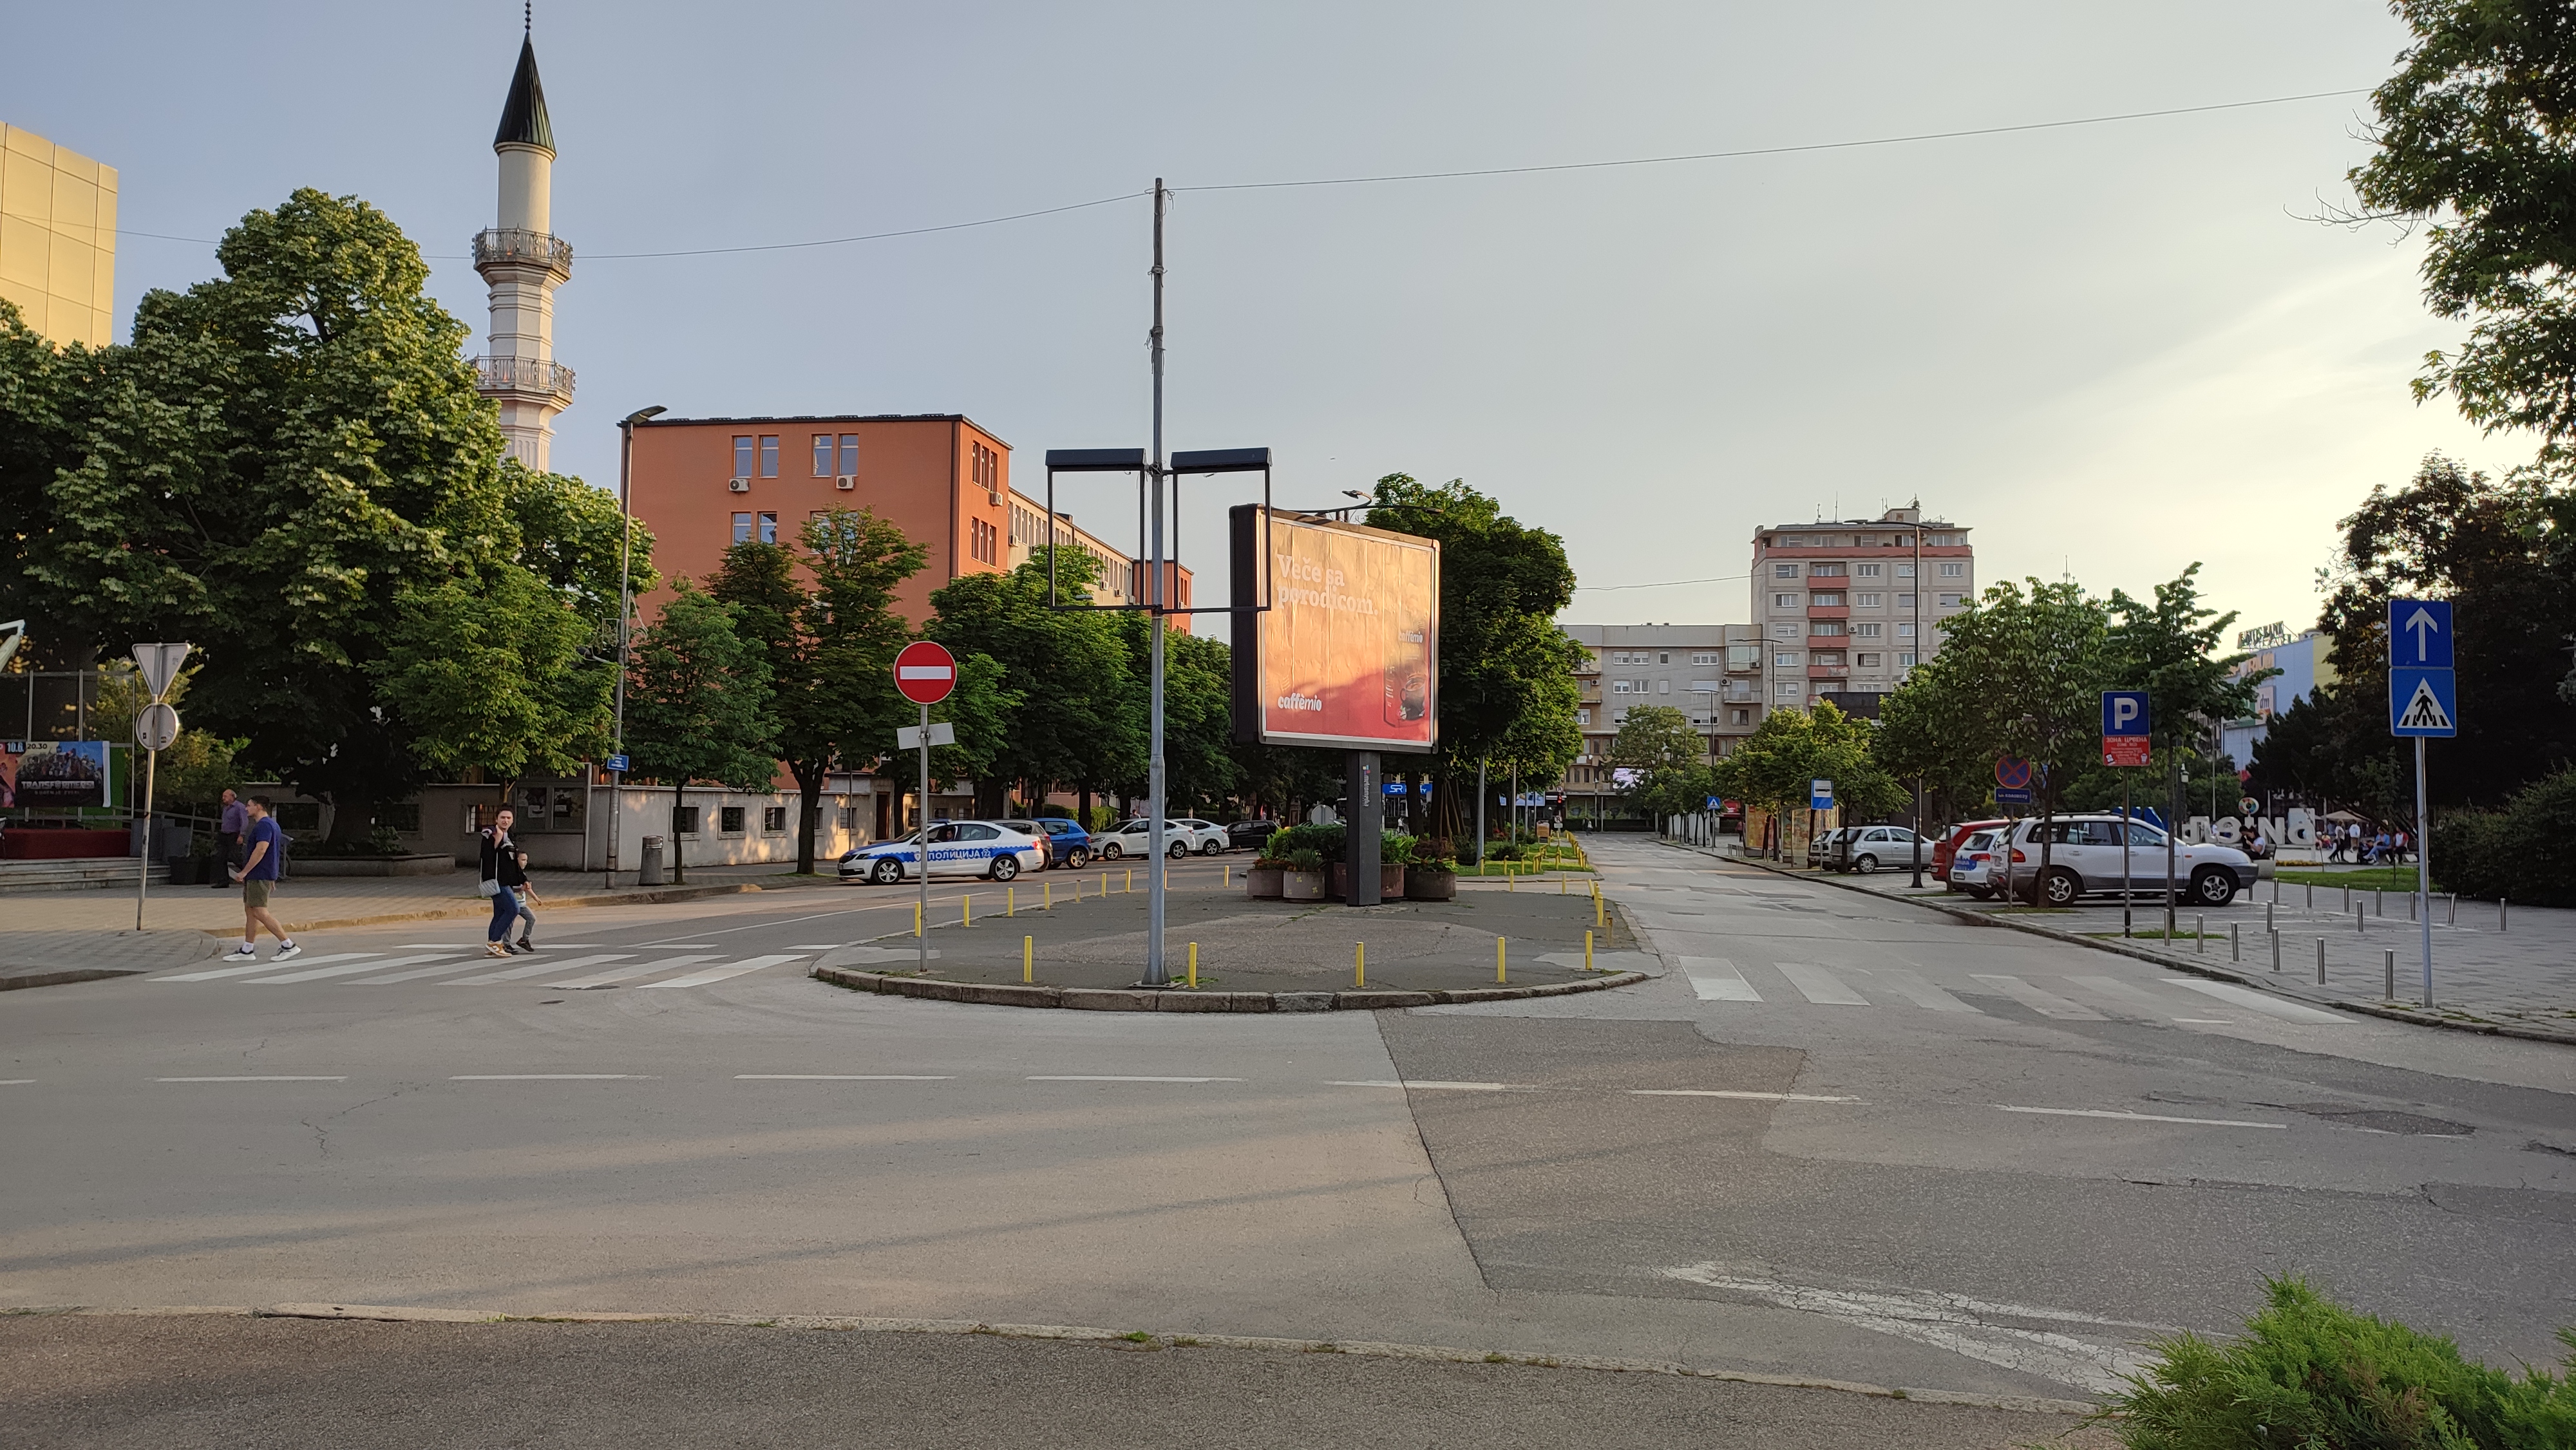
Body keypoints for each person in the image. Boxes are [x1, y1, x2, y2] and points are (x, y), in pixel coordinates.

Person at [217, 796, 298, 962]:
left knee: (259, 911)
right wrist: (271, 876)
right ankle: (248, 949)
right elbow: (272, 853)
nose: (246, 808)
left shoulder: (264, 826)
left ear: (259, 807)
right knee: (251, 911)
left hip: (258, 874)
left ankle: (288, 945)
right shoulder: (271, 825)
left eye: (249, 805)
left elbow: (261, 850)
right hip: (261, 875)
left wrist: (244, 872)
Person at [478, 808, 525, 957]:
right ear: (496, 819)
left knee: (499, 914)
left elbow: (513, 862)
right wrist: (497, 841)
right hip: (496, 881)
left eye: (508, 818)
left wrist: (522, 880)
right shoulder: (490, 834)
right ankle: (495, 942)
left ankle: (491, 947)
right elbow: (485, 857)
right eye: (502, 817)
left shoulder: (509, 836)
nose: (505, 820)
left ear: (512, 820)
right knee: (513, 909)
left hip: (506, 881)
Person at [509, 843, 542, 954]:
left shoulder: (522, 874)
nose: (525, 862)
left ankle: (524, 939)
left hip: (522, 904)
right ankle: (505, 944)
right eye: (523, 860)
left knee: (531, 918)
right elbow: (511, 890)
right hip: (512, 903)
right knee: (509, 923)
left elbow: (527, 888)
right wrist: (522, 889)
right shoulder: (512, 874)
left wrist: (536, 898)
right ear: (516, 860)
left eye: (526, 860)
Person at [214, 788, 247, 890]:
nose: (223, 798)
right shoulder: (226, 808)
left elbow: (244, 821)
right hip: (224, 835)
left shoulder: (239, 807)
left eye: (225, 796)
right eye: (223, 796)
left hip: (234, 835)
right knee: (220, 857)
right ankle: (223, 881)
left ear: (232, 797)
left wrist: (241, 835)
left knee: (235, 856)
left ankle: (249, 873)